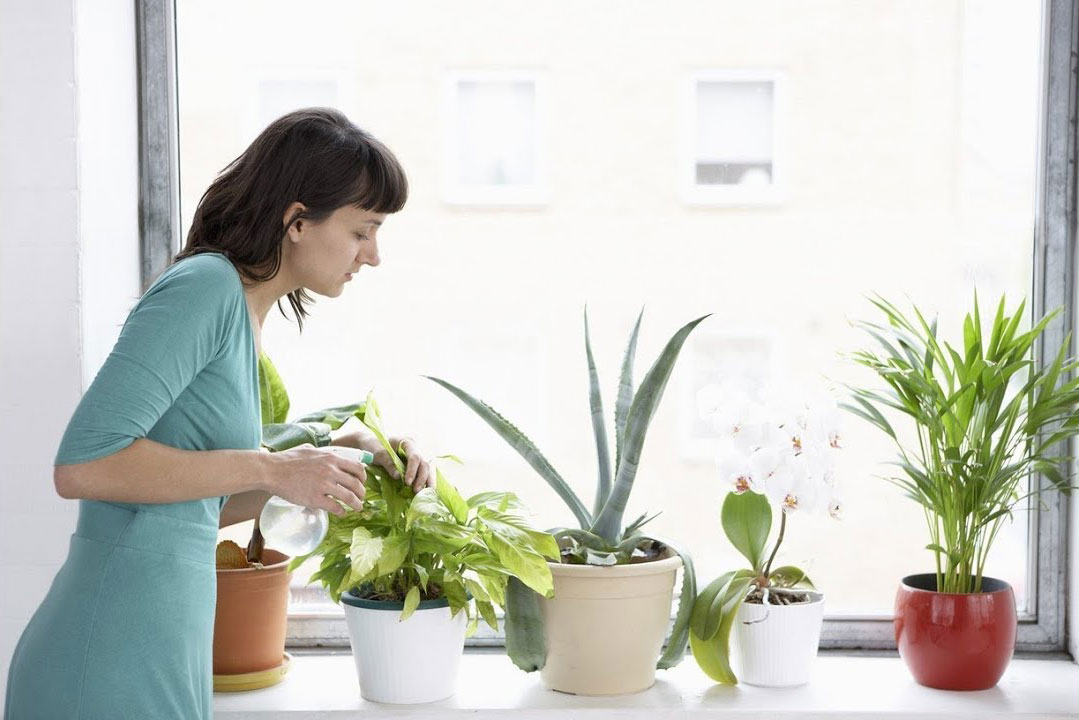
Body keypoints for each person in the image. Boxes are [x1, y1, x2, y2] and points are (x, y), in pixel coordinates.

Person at [4, 108, 432, 719]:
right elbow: (84, 465)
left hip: (159, 650)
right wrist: (274, 468)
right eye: (363, 230)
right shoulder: (205, 287)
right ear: (297, 221)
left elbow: (197, 503)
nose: (373, 255)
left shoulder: (243, 316)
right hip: (104, 661)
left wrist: (346, 462)